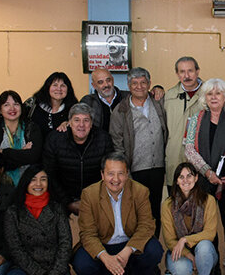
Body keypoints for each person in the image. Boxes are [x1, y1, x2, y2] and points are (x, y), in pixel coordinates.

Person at [72, 153, 164, 275]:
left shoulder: (140, 191)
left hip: (129, 244)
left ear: (127, 174)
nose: (116, 179)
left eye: (121, 174)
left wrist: (128, 250)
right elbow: (87, 234)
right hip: (104, 244)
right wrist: (105, 257)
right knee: (82, 263)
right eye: (110, 174)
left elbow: (146, 226)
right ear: (102, 175)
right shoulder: (89, 195)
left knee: (154, 251)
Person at [183, 78, 225, 275]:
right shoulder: (195, 119)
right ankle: (209, 274)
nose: (214, 97)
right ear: (204, 97)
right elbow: (189, 149)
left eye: (218, 93)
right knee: (205, 232)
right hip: (203, 183)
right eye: (210, 94)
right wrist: (208, 172)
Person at [1, 165, 72, 275]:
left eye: (43, 179)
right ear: (25, 182)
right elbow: (15, 248)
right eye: (33, 180)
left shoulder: (57, 208)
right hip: (26, 269)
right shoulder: (13, 212)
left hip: (55, 269)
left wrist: (54, 274)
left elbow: (66, 244)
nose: (38, 184)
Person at [110, 67, 167, 225]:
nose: (139, 86)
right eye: (134, 83)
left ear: (149, 84)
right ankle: (138, 247)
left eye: (143, 82)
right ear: (129, 86)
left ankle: (153, 244)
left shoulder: (159, 103)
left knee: (156, 208)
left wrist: (160, 89)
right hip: (135, 169)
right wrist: (124, 169)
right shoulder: (121, 110)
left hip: (158, 167)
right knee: (137, 209)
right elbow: (117, 143)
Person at [160, 163, 220, 275]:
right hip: (180, 251)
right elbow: (169, 240)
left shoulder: (208, 200)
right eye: (181, 177)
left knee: (204, 246)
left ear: (196, 178)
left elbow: (210, 233)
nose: (185, 180)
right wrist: (189, 255)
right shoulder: (168, 205)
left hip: (204, 251)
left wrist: (185, 240)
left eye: (189, 176)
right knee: (180, 270)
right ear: (176, 181)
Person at [43, 103, 114, 213]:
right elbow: (50, 175)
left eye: (86, 120)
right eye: (76, 120)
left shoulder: (103, 139)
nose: (81, 125)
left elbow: (109, 172)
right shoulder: (55, 139)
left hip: (96, 200)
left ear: (91, 123)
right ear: (69, 123)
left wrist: (93, 200)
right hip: (62, 201)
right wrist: (67, 202)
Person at [0, 90, 42, 187]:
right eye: (6, 105)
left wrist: (5, 153)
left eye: (16, 104)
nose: (12, 108)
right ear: (0, 110)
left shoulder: (32, 128)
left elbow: (34, 156)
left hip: (31, 185)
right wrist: (22, 152)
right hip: (1, 186)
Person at [164, 56, 203, 189]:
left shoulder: (210, 95)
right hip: (174, 158)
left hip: (200, 160)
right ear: (177, 74)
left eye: (190, 71)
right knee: (175, 201)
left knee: (200, 202)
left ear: (197, 71)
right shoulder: (169, 96)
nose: (186, 76)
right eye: (182, 72)